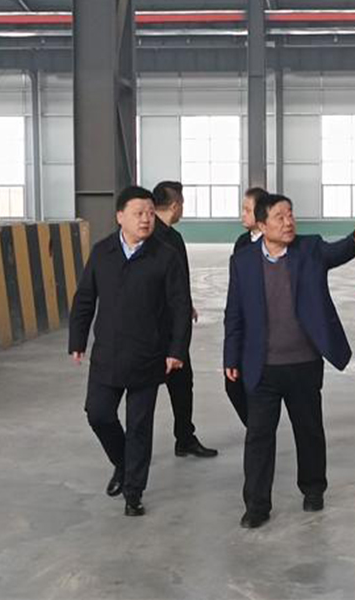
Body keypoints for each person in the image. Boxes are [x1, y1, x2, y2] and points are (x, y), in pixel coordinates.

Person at [223, 193, 355, 529]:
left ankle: (313, 489)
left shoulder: (309, 249)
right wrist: (231, 355)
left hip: (303, 362)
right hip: (262, 366)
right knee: (259, 436)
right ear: (262, 225)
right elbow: (234, 312)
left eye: (290, 214)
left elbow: (339, 251)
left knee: (308, 430)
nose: (288, 221)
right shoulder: (243, 261)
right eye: (279, 217)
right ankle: (256, 505)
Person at [69, 186, 192, 516]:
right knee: (98, 414)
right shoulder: (103, 253)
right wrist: (77, 340)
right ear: (120, 216)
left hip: (148, 356)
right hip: (107, 354)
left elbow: (180, 307)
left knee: (139, 427)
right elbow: (85, 299)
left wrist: (176, 350)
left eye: (150, 213)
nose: (146, 219)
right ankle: (123, 463)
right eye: (139, 213)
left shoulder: (165, 256)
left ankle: (133, 492)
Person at [152, 181, 218, 458]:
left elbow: (180, 279)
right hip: (152, 327)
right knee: (146, 390)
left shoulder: (174, 237)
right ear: (175, 205)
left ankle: (185, 439)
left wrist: (185, 304)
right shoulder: (149, 236)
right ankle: (138, 450)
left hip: (174, 326)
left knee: (182, 383)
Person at [226, 187, 269, 427]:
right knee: (233, 385)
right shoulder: (242, 242)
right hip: (242, 324)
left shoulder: (272, 243)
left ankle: (259, 432)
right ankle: (255, 428)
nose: (242, 214)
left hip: (264, 329)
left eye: (247, 209)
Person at [234, 187, 268, 253]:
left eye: (248, 210)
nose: (243, 214)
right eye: (243, 209)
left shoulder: (272, 242)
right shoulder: (241, 241)